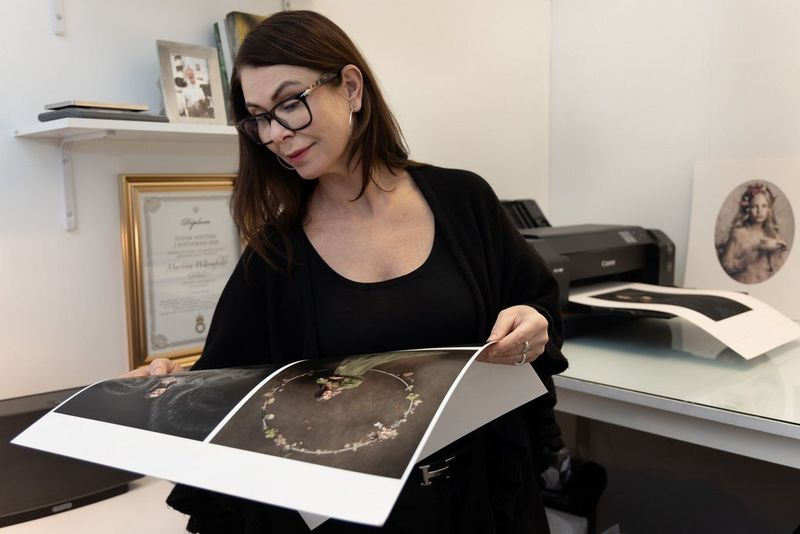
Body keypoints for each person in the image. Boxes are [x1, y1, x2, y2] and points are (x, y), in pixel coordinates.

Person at [131, 10, 568, 533]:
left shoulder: (463, 200)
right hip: (351, 522)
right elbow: (230, 384)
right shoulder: (277, 254)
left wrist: (531, 323)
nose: (274, 133)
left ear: (352, 87)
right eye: (259, 117)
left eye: (290, 103)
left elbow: (536, 309)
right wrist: (171, 386)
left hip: (481, 503)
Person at [718, 182, 789, 284]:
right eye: (755, 206)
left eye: (764, 206)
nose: (759, 211)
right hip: (745, 284)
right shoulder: (739, 234)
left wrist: (778, 251)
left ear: (769, 210)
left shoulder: (771, 236)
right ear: (748, 210)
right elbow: (726, 266)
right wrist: (745, 260)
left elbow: (774, 270)